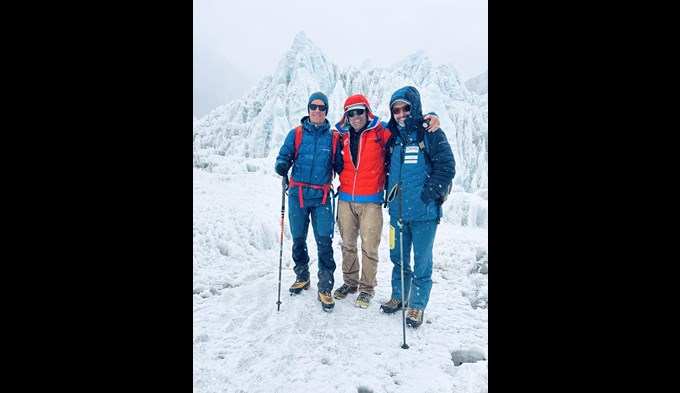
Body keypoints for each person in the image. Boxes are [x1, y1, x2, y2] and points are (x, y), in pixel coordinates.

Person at [332, 94, 440, 309]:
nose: (355, 117)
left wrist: (432, 118)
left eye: (359, 111)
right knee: (348, 245)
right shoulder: (340, 136)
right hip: (345, 200)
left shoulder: (381, 131)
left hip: (371, 201)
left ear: (367, 111)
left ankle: (366, 288)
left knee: (370, 247)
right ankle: (350, 282)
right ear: (346, 116)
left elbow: (407, 125)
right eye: (350, 113)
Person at [379, 86, 455, 328]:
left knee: (422, 262)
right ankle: (399, 297)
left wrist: (427, 196)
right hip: (397, 213)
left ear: (414, 108)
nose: (401, 114)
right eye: (396, 110)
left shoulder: (430, 134)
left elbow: (447, 167)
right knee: (398, 258)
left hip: (424, 214)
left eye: (405, 108)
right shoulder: (392, 138)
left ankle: (417, 306)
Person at [274, 91, 343, 313]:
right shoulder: (296, 134)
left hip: (322, 197)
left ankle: (325, 287)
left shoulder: (333, 138)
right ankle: (302, 276)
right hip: (298, 196)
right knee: (298, 239)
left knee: (324, 242)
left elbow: (343, 164)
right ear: (308, 109)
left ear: (326, 111)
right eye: (313, 106)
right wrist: (282, 164)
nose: (317, 110)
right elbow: (284, 155)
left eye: (321, 107)